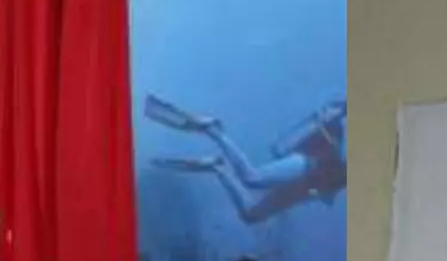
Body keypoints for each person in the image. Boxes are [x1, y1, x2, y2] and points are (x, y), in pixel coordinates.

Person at [146, 94, 347, 223]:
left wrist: (326, 191)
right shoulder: (345, 127)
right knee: (252, 178)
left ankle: (217, 167)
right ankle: (212, 130)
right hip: (309, 165)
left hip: (313, 184)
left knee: (251, 214)